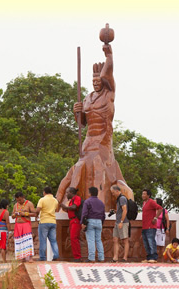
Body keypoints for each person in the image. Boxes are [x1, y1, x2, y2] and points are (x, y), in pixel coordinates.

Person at [55, 36, 133, 212]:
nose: (96, 83)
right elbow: (82, 123)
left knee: (98, 165)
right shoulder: (88, 98)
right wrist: (77, 112)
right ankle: (68, 198)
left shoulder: (109, 94)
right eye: (94, 81)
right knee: (79, 166)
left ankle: (98, 205)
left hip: (103, 140)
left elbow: (108, 75)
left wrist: (109, 57)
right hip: (89, 140)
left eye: (98, 81)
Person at [81, 186, 106, 262]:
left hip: (90, 221)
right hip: (99, 222)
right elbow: (103, 215)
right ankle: (101, 257)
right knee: (98, 240)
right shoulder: (101, 203)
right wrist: (101, 223)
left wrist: (83, 223)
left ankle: (91, 258)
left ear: (90, 193)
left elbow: (84, 213)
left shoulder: (87, 201)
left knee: (91, 240)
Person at [36, 187, 60, 261]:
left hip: (44, 222)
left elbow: (38, 210)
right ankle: (56, 255)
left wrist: (37, 215)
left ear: (44, 192)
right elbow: (57, 210)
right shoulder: (55, 200)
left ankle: (42, 257)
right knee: (53, 240)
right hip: (52, 221)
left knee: (43, 240)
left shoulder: (42, 199)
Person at [59, 187, 82, 262]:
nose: (66, 194)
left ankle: (77, 257)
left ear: (71, 193)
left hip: (75, 220)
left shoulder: (77, 198)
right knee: (73, 238)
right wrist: (65, 208)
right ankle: (76, 256)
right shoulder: (71, 200)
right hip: (72, 220)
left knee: (74, 238)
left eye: (67, 192)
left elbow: (75, 207)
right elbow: (70, 209)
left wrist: (66, 207)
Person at [12, 192, 36, 262]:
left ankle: (30, 258)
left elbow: (34, 214)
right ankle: (22, 258)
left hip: (25, 224)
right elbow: (12, 215)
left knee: (28, 240)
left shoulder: (29, 203)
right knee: (20, 241)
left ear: (23, 197)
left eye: (20, 200)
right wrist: (15, 215)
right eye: (17, 200)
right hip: (18, 225)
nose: (19, 202)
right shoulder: (15, 205)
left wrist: (24, 213)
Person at [141, 189, 163, 263]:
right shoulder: (144, 203)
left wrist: (155, 218)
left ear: (148, 195)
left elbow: (160, 208)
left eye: (144, 194)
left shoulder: (151, 202)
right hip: (144, 226)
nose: (143, 195)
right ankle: (149, 257)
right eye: (142, 194)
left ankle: (154, 257)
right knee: (146, 242)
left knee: (151, 241)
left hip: (150, 226)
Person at [110, 185, 129, 262]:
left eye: (113, 192)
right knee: (115, 239)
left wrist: (121, 221)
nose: (113, 194)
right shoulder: (118, 199)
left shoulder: (122, 198)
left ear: (117, 191)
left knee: (125, 240)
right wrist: (115, 211)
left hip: (123, 222)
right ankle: (115, 257)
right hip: (117, 222)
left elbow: (125, 210)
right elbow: (121, 210)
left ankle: (125, 258)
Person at [0, 199, 11, 263]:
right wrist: (10, 231)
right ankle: (4, 260)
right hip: (3, 231)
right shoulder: (6, 212)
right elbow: (7, 223)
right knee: (3, 247)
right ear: (6, 205)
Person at [155, 198, 170, 262]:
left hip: (162, 229)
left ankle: (162, 259)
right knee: (154, 244)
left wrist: (167, 229)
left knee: (161, 245)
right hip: (154, 229)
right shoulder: (153, 210)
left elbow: (167, 220)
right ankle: (155, 258)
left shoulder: (164, 211)